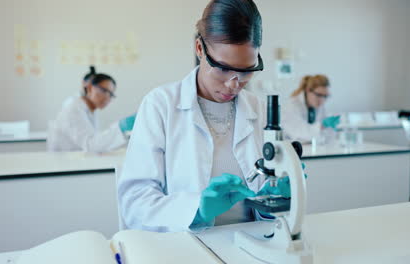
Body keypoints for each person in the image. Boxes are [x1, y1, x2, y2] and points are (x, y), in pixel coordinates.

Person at [118, 0, 303, 232]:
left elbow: (268, 197)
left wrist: (275, 199)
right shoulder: (161, 104)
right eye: (224, 68)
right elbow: (135, 203)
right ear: (199, 49)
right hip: (186, 249)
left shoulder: (256, 107)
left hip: (251, 243)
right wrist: (196, 209)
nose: (234, 84)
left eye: (246, 71)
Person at [48, 71, 136, 152]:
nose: (107, 98)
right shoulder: (73, 109)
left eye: (111, 94)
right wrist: (120, 127)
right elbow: (90, 145)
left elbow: (95, 140)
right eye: (104, 91)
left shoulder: (90, 110)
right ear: (90, 88)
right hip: (63, 163)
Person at [282, 75, 340, 143]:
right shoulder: (291, 106)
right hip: (292, 149)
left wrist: (330, 129)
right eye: (319, 95)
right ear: (308, 90)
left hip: (311, 148)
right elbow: (300, 132)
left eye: (325, 96)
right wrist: (322, 126)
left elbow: (324, 135)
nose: (322, 100)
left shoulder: (319, 107)